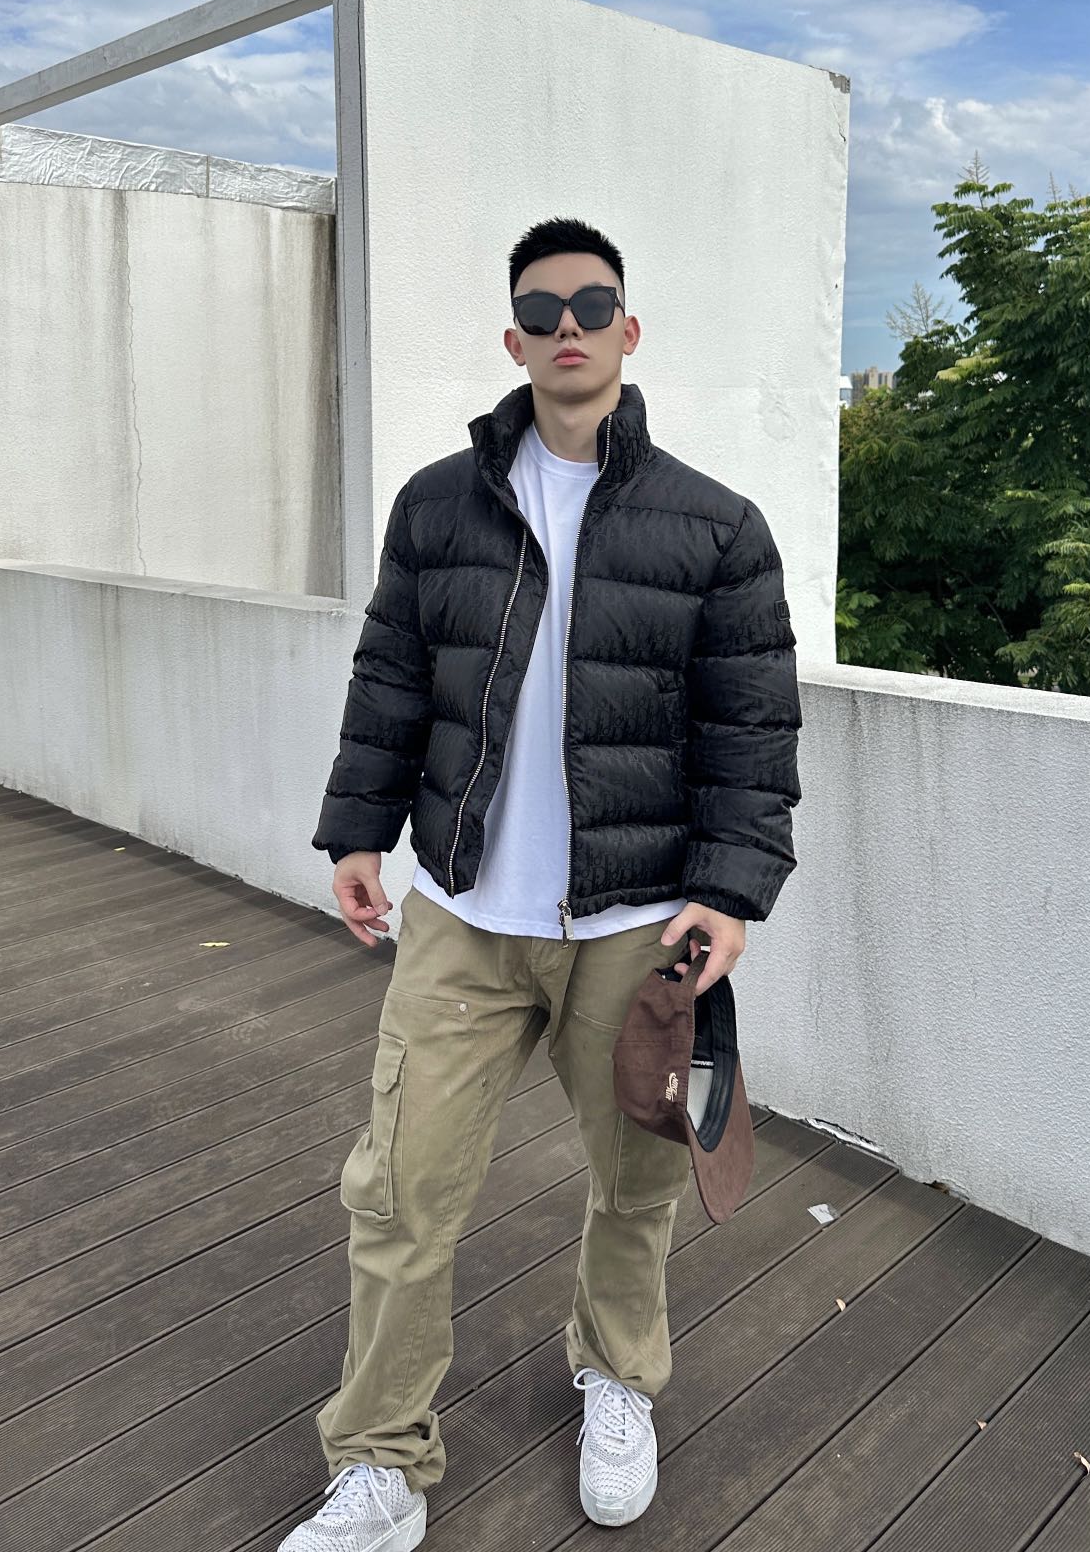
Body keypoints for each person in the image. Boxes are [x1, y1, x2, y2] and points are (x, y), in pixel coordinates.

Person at [282, 218, 802, 1550]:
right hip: (462, 919)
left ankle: (617, 1377)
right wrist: (357, 833)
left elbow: (751, 731)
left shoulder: (717, 527)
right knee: (400, 1195)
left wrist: (731, 894)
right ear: (513, 341)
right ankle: (381, 1457)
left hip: (635, 925)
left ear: (630, 329)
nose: (568, 325)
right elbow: (392, 680)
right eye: (542, 309)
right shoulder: (435, 507)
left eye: (592, 302)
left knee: (637, 1184)